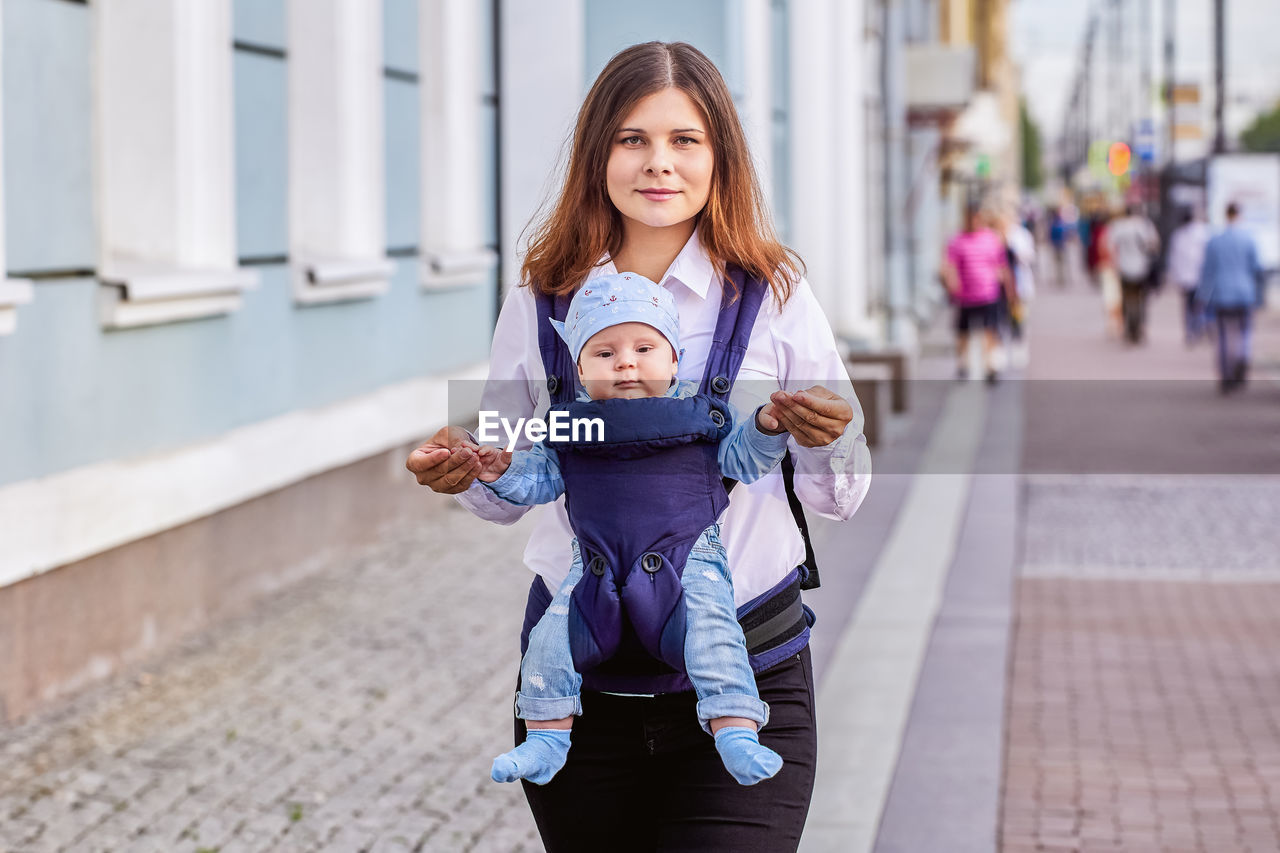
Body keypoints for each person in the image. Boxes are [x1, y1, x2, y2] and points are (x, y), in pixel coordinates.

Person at [405, 41, 870, 852]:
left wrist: (831, 436)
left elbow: (843, 494)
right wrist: (468, 469)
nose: (660, 164)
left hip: (748, 675)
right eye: (632, 139)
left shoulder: (774, 296)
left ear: (719, 155)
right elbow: (507, 476)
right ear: (598, 155)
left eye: (685, 140)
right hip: (579, 690)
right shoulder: (541, 296)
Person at [480, 274, 789, 789]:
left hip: (687, 562)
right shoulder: (571, 424)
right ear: (579, 369)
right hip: (593, 566)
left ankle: (736, 729)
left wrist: (766, 427)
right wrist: (498, 469)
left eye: (644, 348)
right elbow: (540, 479)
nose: (625, 362)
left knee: (715, 637)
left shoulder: (700, 414)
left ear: (673, 360)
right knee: (549, 643)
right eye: (603, 353)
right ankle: (544, 737)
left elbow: (743, 459)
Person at [941, 205, 1017, 383]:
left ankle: (990, 366)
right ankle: (963, 365)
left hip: (988, 293)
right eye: (970, 218)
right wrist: (952, 283)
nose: (973, 222)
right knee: (963, 333)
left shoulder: (991, 239)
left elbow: (1001, 265)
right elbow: (950, 265)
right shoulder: (957, 240)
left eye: (976, 218)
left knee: (990, 331)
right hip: (966, 296)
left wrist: (1010, 289)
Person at [1195, 202, 1265, 393]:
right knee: (1244, 332)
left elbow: (1207, 272)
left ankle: (1226, 375)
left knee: (1224, 335)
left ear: (1226, 215)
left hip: (1221, 294)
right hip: (1245, 292)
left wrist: (1201, 297)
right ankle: (1243, 358)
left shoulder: (1215, 240)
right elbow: (1257, 268)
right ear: (1240, 214)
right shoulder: (1249, 239)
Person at [1103, 203, 1161, 343]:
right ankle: (1139, 327)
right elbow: (1155, 245)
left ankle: (1129, 328)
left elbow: (1109, 246)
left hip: (1124, 267)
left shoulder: (1118, 226)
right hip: (1142, 267)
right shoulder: (1145, 226)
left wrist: (1115, 262)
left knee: (1127, 298)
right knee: (1141, 299)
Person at [1165, 207, 1212, 345]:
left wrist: (1174, 275)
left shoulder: (1179, 235)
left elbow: (1173, 258)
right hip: (1199, 275)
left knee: (1188, 305)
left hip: (1185, 276)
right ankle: (1199, 328)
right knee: (1200, 303)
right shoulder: (1202, 232)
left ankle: (1191, 331)